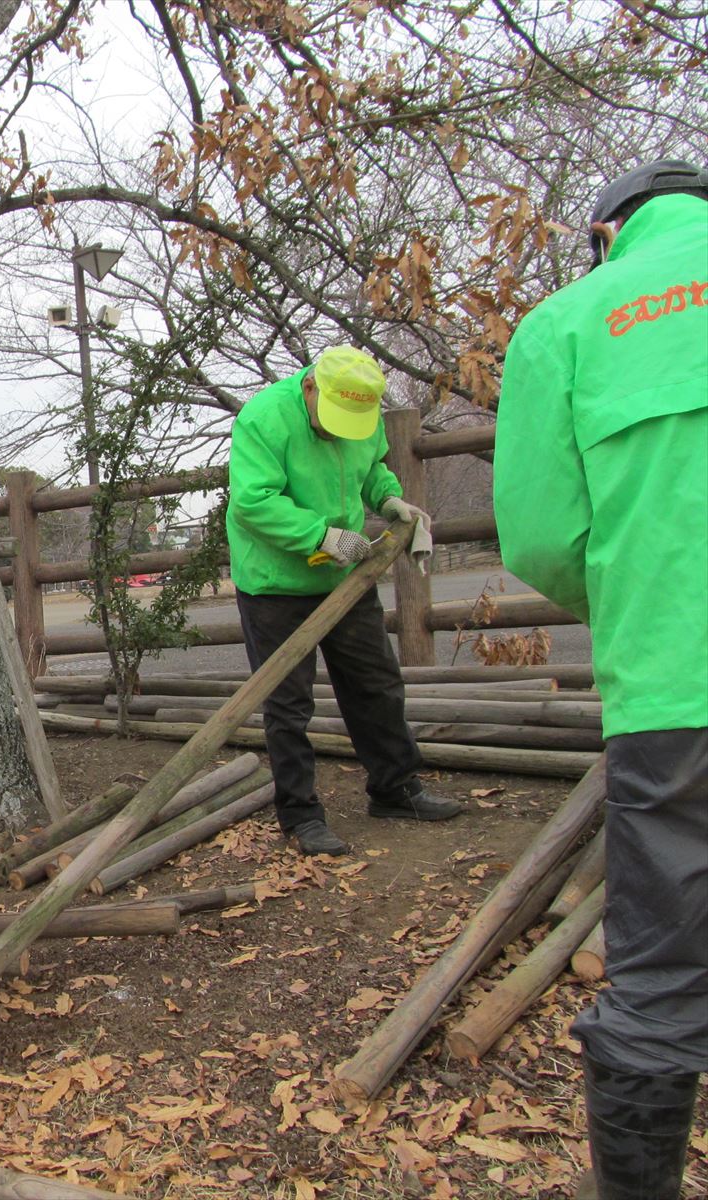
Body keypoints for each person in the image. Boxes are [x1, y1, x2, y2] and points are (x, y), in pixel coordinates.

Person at [494, 160, 707, 1200]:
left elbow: (538, 539)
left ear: (603, 232)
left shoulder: (569, 323)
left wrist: (637, 598)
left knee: (661, 980)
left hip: (678, 687)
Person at [226, 345, 462, 857]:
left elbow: (371, 466)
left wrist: (389, 498)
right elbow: (251, 503)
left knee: (376, 682)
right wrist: (321, 536)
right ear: (311, 387)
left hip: (343, 579)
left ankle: (396, 788)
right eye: (331, 419)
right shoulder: (263, 419)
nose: (338, 431)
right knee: (288, 704)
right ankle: (301, 816)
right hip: (275, 584)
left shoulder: (362, 412)